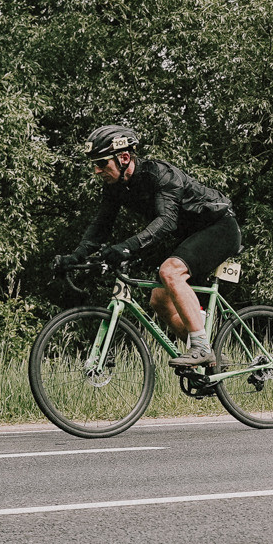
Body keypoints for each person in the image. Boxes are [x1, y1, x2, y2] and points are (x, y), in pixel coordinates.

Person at [55, 124, 240, 371]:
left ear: (123, 158)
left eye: (102, 163)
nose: (97, 170)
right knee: (158, 299)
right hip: (189, 235)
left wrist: (126, 247)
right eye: (94, 164)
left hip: (219, 227)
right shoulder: (115, 187)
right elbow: (100, 226)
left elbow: (166, 221)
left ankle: (201, 349)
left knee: (170, 272)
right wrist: (76, 256)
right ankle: (213, 361)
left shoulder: (160, 175)